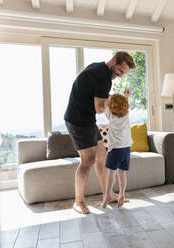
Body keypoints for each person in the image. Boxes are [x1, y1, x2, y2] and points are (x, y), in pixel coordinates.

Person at [64, 52, 135, 214]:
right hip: (77, 120)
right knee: (87, 160)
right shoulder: (104, 78)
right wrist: (118, 103)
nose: (120, 76)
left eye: (123, 73)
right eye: (120, 71)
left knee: (102, 155)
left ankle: (108, 194)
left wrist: (114, 99)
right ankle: (78, 201)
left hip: (87, 119)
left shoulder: (98, 67)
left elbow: (97, 98)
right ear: (114, 60)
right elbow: (100, 108)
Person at [102, 90, 132, 208]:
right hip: (126, 149)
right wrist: (126, 96)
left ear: (111, 105)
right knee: (122, 173)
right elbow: (124, 105)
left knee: (111, 173)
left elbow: (105, 104)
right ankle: (122, 194)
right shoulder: (126, 114)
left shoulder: (110, 115)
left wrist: (108, 99)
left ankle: (107, 195)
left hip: (115, 150)